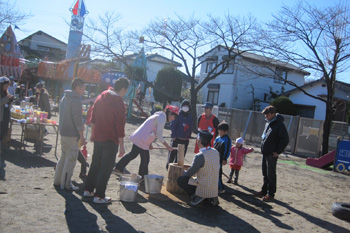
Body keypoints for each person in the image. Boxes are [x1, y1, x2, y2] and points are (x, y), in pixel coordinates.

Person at [83, 77, 129, 204]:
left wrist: (92, 134)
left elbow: (93, 118)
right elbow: (120, 126)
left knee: (95, 164)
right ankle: (99, 195)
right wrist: (121, 146)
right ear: (124, 89)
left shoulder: (100, 97)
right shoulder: (119, 102)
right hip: (110, 139)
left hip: (98, 136)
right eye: (126, 91)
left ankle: (88, 189)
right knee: (106, 168)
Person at [115, 105, 179, 178]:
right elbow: (158, 134)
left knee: (133, 154)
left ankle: (118, 167)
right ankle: (142, 178)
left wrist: (150, 144)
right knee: (145, 160)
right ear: (170, 113)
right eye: (174, 117)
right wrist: (167, 146)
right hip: (142, 139)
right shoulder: (161, 118)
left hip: (139, 137)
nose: (173, 119)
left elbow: (152, 130)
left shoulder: (159, 115)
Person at [54, 78, 86, 191]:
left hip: (63, 132)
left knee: (63, 157)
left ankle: (57, 180)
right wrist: (82, 136)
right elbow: (77, 121)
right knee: (70, 160)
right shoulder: (75, 100)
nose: (83, 91)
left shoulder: (64, 97)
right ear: (77, 88)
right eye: (83, 88)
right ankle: (66, 184)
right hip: (71, 134)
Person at [177, 130, 220, 206]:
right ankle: (212, 196)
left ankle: (197, 196)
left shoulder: (200, 156)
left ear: (199, 141)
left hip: (203, 186)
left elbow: (190, 173)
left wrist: (184, 172)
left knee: (181, 180)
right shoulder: (215, 152)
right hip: (214, 187)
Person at [255, 105, 289, 202]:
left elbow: (285, 139)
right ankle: (264, 190)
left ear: (273, 114)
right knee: (265, 173)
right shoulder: (268, 123)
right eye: (265, 115)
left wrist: (278, 152)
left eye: (268, 115)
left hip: (272, 154)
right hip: (265, 153)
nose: (266, 116)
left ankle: (271, 194)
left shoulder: (279, 125)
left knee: (271, 174)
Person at [166, 100, 192, 170]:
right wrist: (173, 135)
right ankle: (169, 168)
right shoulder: (178, 114)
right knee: (172, 155)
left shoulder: (190, 116)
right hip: (177, 138)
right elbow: (173, 125)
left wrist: (188, 137)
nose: (185, 108)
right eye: (184, 106)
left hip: (185, 139)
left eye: (187, 106)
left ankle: (176, 170)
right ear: (182, 106)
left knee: (180, 157)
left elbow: (190, 127)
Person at [213, 122, 232, 193]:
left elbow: (227, 150)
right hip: (214, 158)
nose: (220, 132)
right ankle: (215, 186)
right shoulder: (217, 138)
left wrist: (224, 159)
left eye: (221, 131)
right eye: (219, 130)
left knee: (218, 174)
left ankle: (221, 188)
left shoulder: (227, 139)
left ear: (226, 131)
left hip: (220, 159)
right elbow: (214, 147)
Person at [0, 77, 14, 154]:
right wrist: (6, 98)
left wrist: (10, 100)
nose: (7, 86)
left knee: (4, 131)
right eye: (6, 85)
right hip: (0, 116)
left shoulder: (6, 93)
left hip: (5, 115)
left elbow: (7, 104)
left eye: (8, 85)